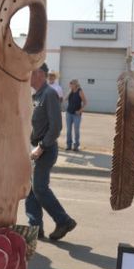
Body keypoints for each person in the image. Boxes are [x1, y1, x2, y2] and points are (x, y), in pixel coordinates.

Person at [25, 63, 77, 241]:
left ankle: (64, 220)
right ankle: (35, 228)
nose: (27, 76)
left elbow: (56, 127)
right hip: (36, 149)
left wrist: (41, 146)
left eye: (30, 72)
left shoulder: (49, 94)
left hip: (45, 150)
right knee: (31, 190)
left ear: (39, 74)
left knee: (39, 188)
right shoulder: (37, 95)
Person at [65, 79, 87, 151]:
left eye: (71, 84)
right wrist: (70, 91)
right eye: (70, 84)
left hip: (76, 114)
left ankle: (76, 146)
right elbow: (65, 99)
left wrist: (80, 110)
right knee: (68, 130)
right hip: (69, 113)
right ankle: (68, 145)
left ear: (75, 84)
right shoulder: (71, 91)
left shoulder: (80, 91)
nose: (70, 85)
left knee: (76, 130)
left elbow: (85, 102)